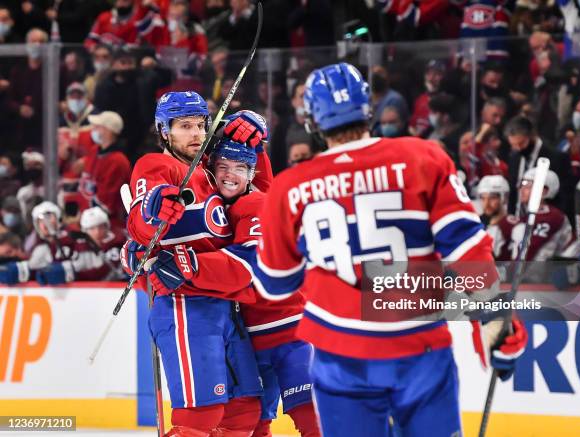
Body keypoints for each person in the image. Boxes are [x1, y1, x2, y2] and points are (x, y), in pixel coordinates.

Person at [235, 62, 527, 436]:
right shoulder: (424, 156)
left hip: (341, 357)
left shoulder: (290, 186)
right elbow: (468, 246)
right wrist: (490, 316)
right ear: (368, 110)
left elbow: (275, 284)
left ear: (312, 121)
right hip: (418, 347)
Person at [145, 137, 321, 437]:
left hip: (291, 332)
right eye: (222, 166)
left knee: (312, 417)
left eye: (240, 168)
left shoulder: (258, 203)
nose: (230, 174)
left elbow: (248, 266)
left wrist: (187, 267)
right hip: (249, 339)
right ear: (210, 170)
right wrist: (143, 250)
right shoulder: (214, 212)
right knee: (253, 424)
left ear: (252, 174)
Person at [124, 91, 272, 436]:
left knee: (243, 411)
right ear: (164, 131)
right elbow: (141, 216)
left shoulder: (210, 170)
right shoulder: (157, 165)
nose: (195, 134)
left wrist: (258, 148)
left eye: (201, 125)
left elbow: (261, 199)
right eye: (185, 126)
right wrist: (154, 208)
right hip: (183, 305)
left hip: (226, 304)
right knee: (199, 417)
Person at [78, 111, 131, 227]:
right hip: (87, 220)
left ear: (109, 131)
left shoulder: (118, 161)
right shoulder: (94, 151)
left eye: (97, 127)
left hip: (106, 226)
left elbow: (106, 204)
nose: (93, 130)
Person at [476, 175, 511, 260]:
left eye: (492, 198)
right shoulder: (475, 223)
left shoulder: (511, 226)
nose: (486, 204)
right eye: (483, 198)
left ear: (505, 198)